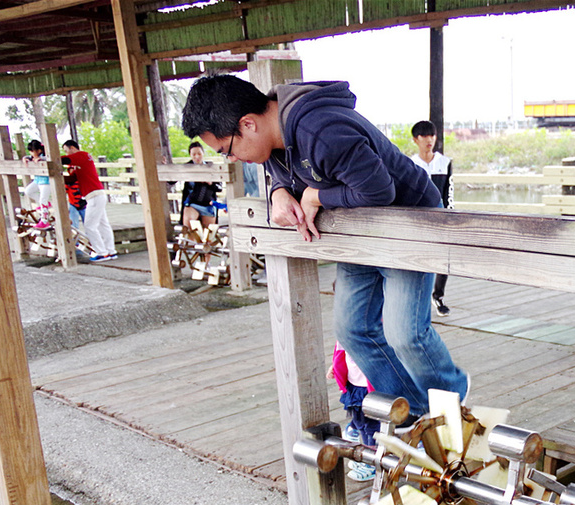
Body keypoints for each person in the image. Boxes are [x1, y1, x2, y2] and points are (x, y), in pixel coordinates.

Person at [181, 75, 468, 417]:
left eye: (227, 150)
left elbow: (380, 191)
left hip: (407, 221)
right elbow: (287, 175)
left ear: (248, 124)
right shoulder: (273, 140)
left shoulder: (320, 129)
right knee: (353, 329)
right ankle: (414, 411)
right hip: (357, 230)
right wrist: (278, 192)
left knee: (404, 333)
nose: (231, 159)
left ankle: (454, 407)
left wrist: (316, 195)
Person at [410, 120, 454, 317]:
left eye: (432, 136)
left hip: (442, 217)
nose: (429, 140)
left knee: (444, 259)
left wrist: (450, 216)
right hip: (418, 220)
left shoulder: (445, 163)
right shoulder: (410, 164)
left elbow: (449, 192)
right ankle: (419, 299)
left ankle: (438, 296)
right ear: (415, 139)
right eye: (424, 136)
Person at [329, 341, 378, 482]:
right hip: (354, 386)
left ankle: (371, 460)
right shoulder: (344, 335)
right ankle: (353, 429)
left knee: (371, 427)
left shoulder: (371, 332)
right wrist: (334, 367)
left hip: (370, 388)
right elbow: (341, 354)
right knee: (360, 420)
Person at [61, 139, 116, 262]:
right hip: (97, 194)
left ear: (72, 148)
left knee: (90, 226)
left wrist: (46, 159)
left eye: (66, 151)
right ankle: (110, 251)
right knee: (103, 224)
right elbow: (71, 179)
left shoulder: (81, 155)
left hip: (94, 196)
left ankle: (102, 252)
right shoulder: (82, 162)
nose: (67, 153)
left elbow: (63, 160)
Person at [179, 140, 223, 230]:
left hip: (208, 204)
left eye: (199, 153)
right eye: (194, 154)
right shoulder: (187, 167)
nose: (197, 156)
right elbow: (171, 180)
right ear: (190, 155)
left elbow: (219, 187)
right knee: (189, 230)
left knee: (208, 235)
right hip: (192, 203)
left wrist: (210, 182)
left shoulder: (210, 167)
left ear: (203, 153)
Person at [22, 139, 53, 229]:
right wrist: (26, 158)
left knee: (43, 200)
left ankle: (44, 220)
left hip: (46, 182)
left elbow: (50, 159)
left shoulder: (44, 156)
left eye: (32, 151)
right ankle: (44, 204)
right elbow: (28, 157)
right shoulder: (32, 157)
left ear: (39, 151)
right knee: (28, 191)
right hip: (37, 180)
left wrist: (41, 159)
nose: (31, 153)